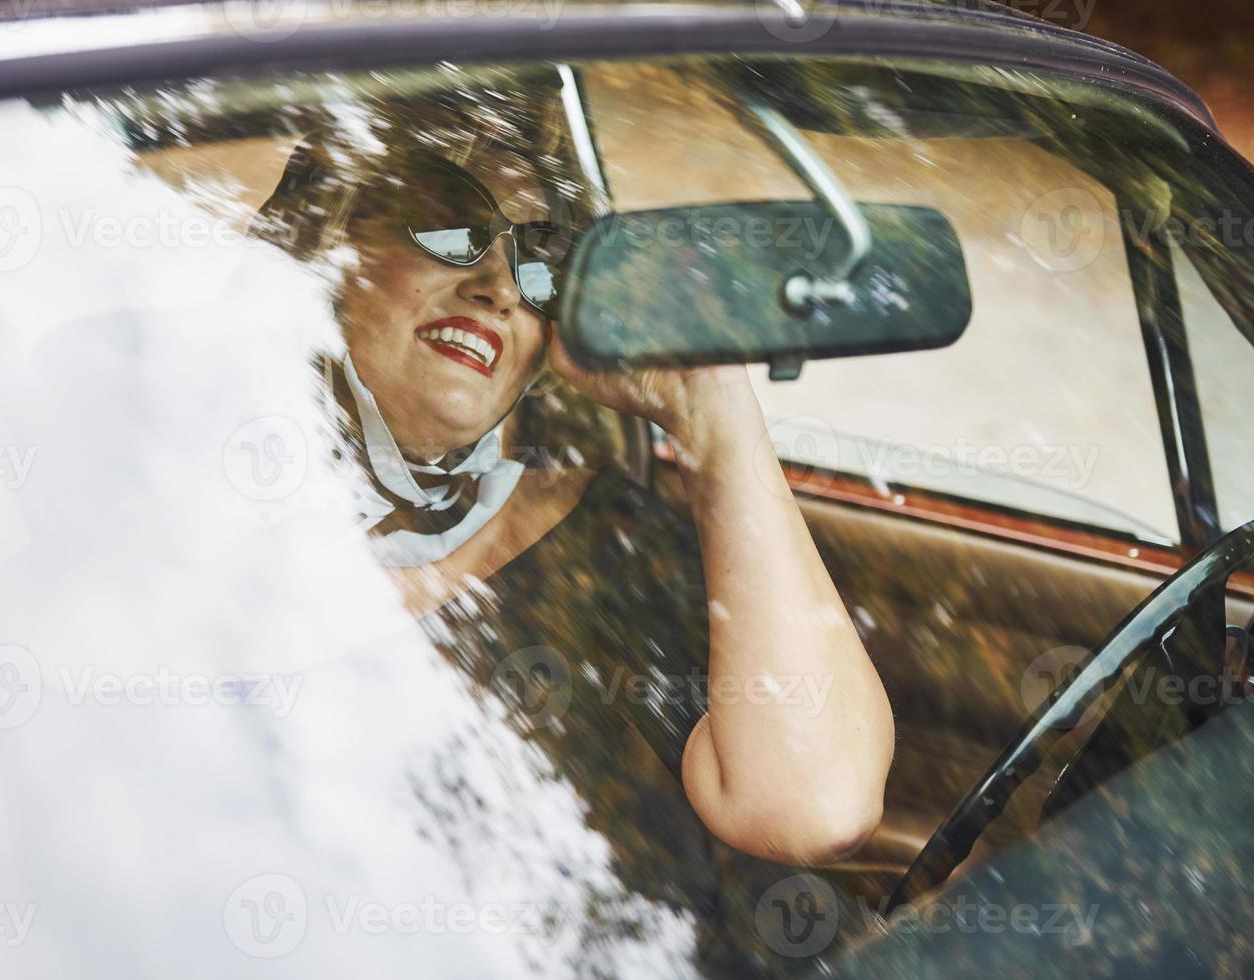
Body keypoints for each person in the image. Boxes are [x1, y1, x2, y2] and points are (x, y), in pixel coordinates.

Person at [253, 80, 894, 872]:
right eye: (448, 223)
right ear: (329, 249)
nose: (497, 287)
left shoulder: (613, 548)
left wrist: (713, 413)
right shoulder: (176, 491)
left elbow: (815, 806)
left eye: (539, 263)